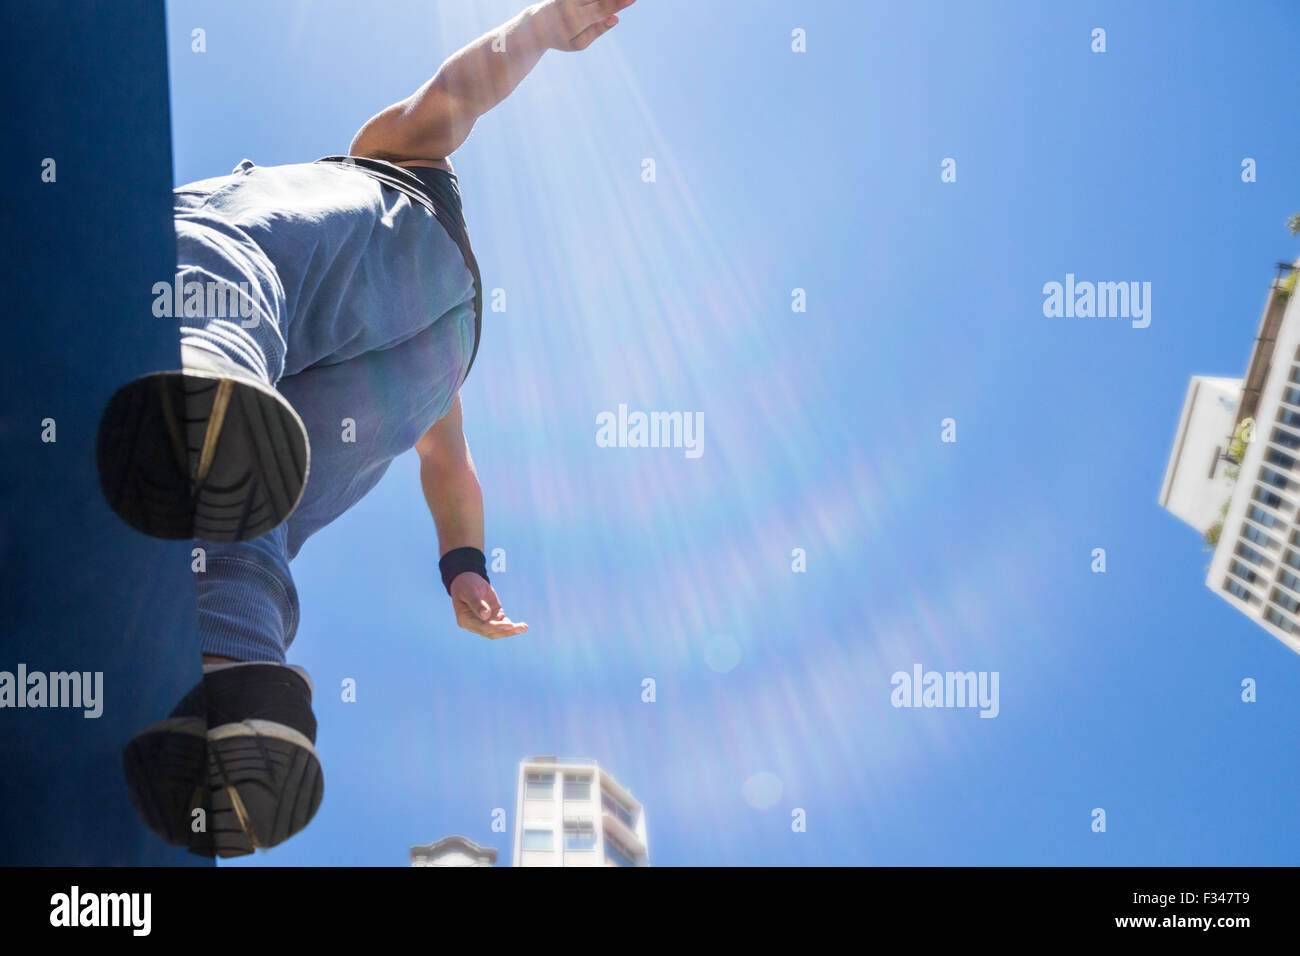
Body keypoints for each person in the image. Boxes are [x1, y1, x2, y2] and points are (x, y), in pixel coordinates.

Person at [100, 0, 638, 857]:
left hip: (404, 228)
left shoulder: (375, 156)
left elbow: (451, 97)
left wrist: (538, 26)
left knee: (212, 242)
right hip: (435, 360)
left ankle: (206, 372)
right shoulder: (445, 368)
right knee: (240, 511)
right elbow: (448, 462)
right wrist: (464, 567)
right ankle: (240, 688)